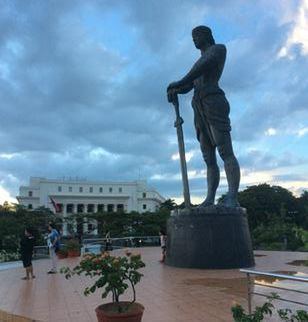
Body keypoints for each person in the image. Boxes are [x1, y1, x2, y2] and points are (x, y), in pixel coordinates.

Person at [167, 25, 240, 208]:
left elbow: (200, 68)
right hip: (198, 106)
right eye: (192, 36)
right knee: (208, 157)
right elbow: (187, 85)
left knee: (225, 151)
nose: (193, 39)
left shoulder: (217, 50)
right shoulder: (198, 65)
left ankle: (232, 196)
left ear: (206, 35)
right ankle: (209, 198)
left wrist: (180, 82)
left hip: (213, 101)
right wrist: (174, 90)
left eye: (196, 35)